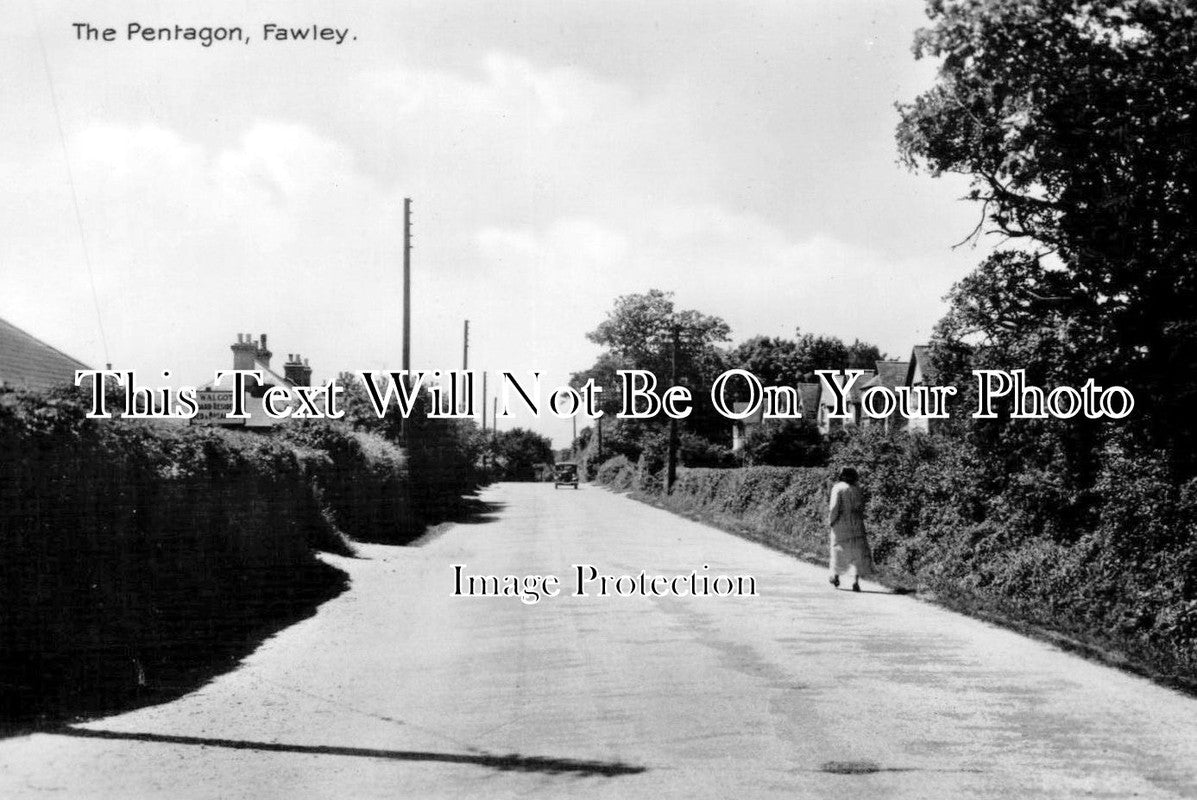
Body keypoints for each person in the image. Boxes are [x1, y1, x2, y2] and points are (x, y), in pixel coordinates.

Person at [827, 466, 874, 592]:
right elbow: (861, 507)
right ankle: (855, 582)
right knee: (857, 553)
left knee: (838, 550)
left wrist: (831, 521)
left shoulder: (838, 487)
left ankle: (836, 576)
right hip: (857, 524)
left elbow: (834, 507)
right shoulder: (857, 489)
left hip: (841, 523)